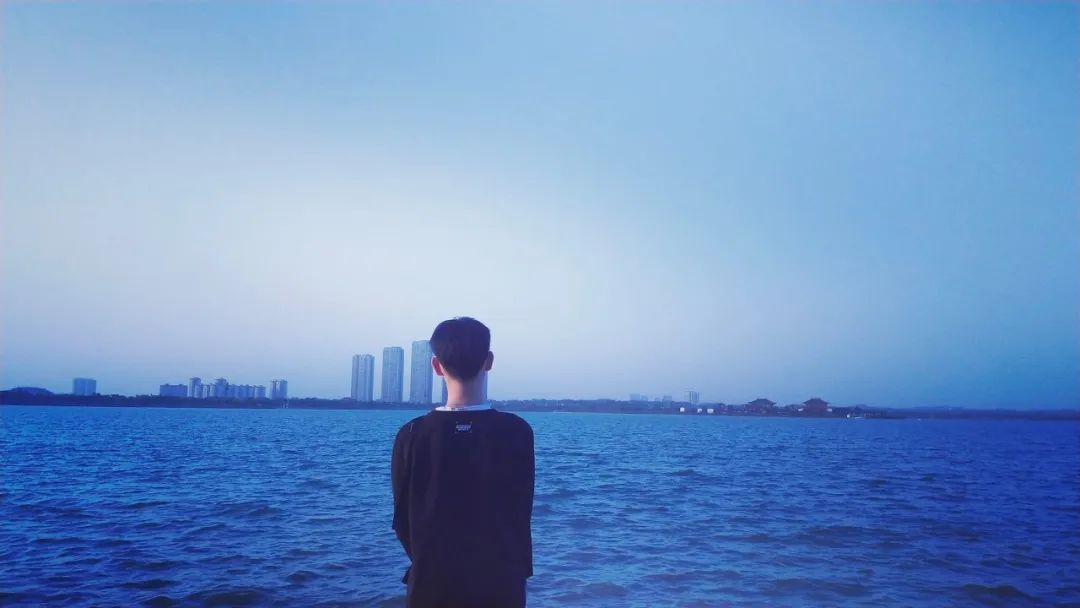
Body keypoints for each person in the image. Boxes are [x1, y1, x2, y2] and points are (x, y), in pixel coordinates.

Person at [391, 317, 535, 608]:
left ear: (436, 366)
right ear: (489, 361)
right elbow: (520, 513)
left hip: (430, 585)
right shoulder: (517, 431)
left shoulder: (412, 434)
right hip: (501, 586)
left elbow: (403, 520)